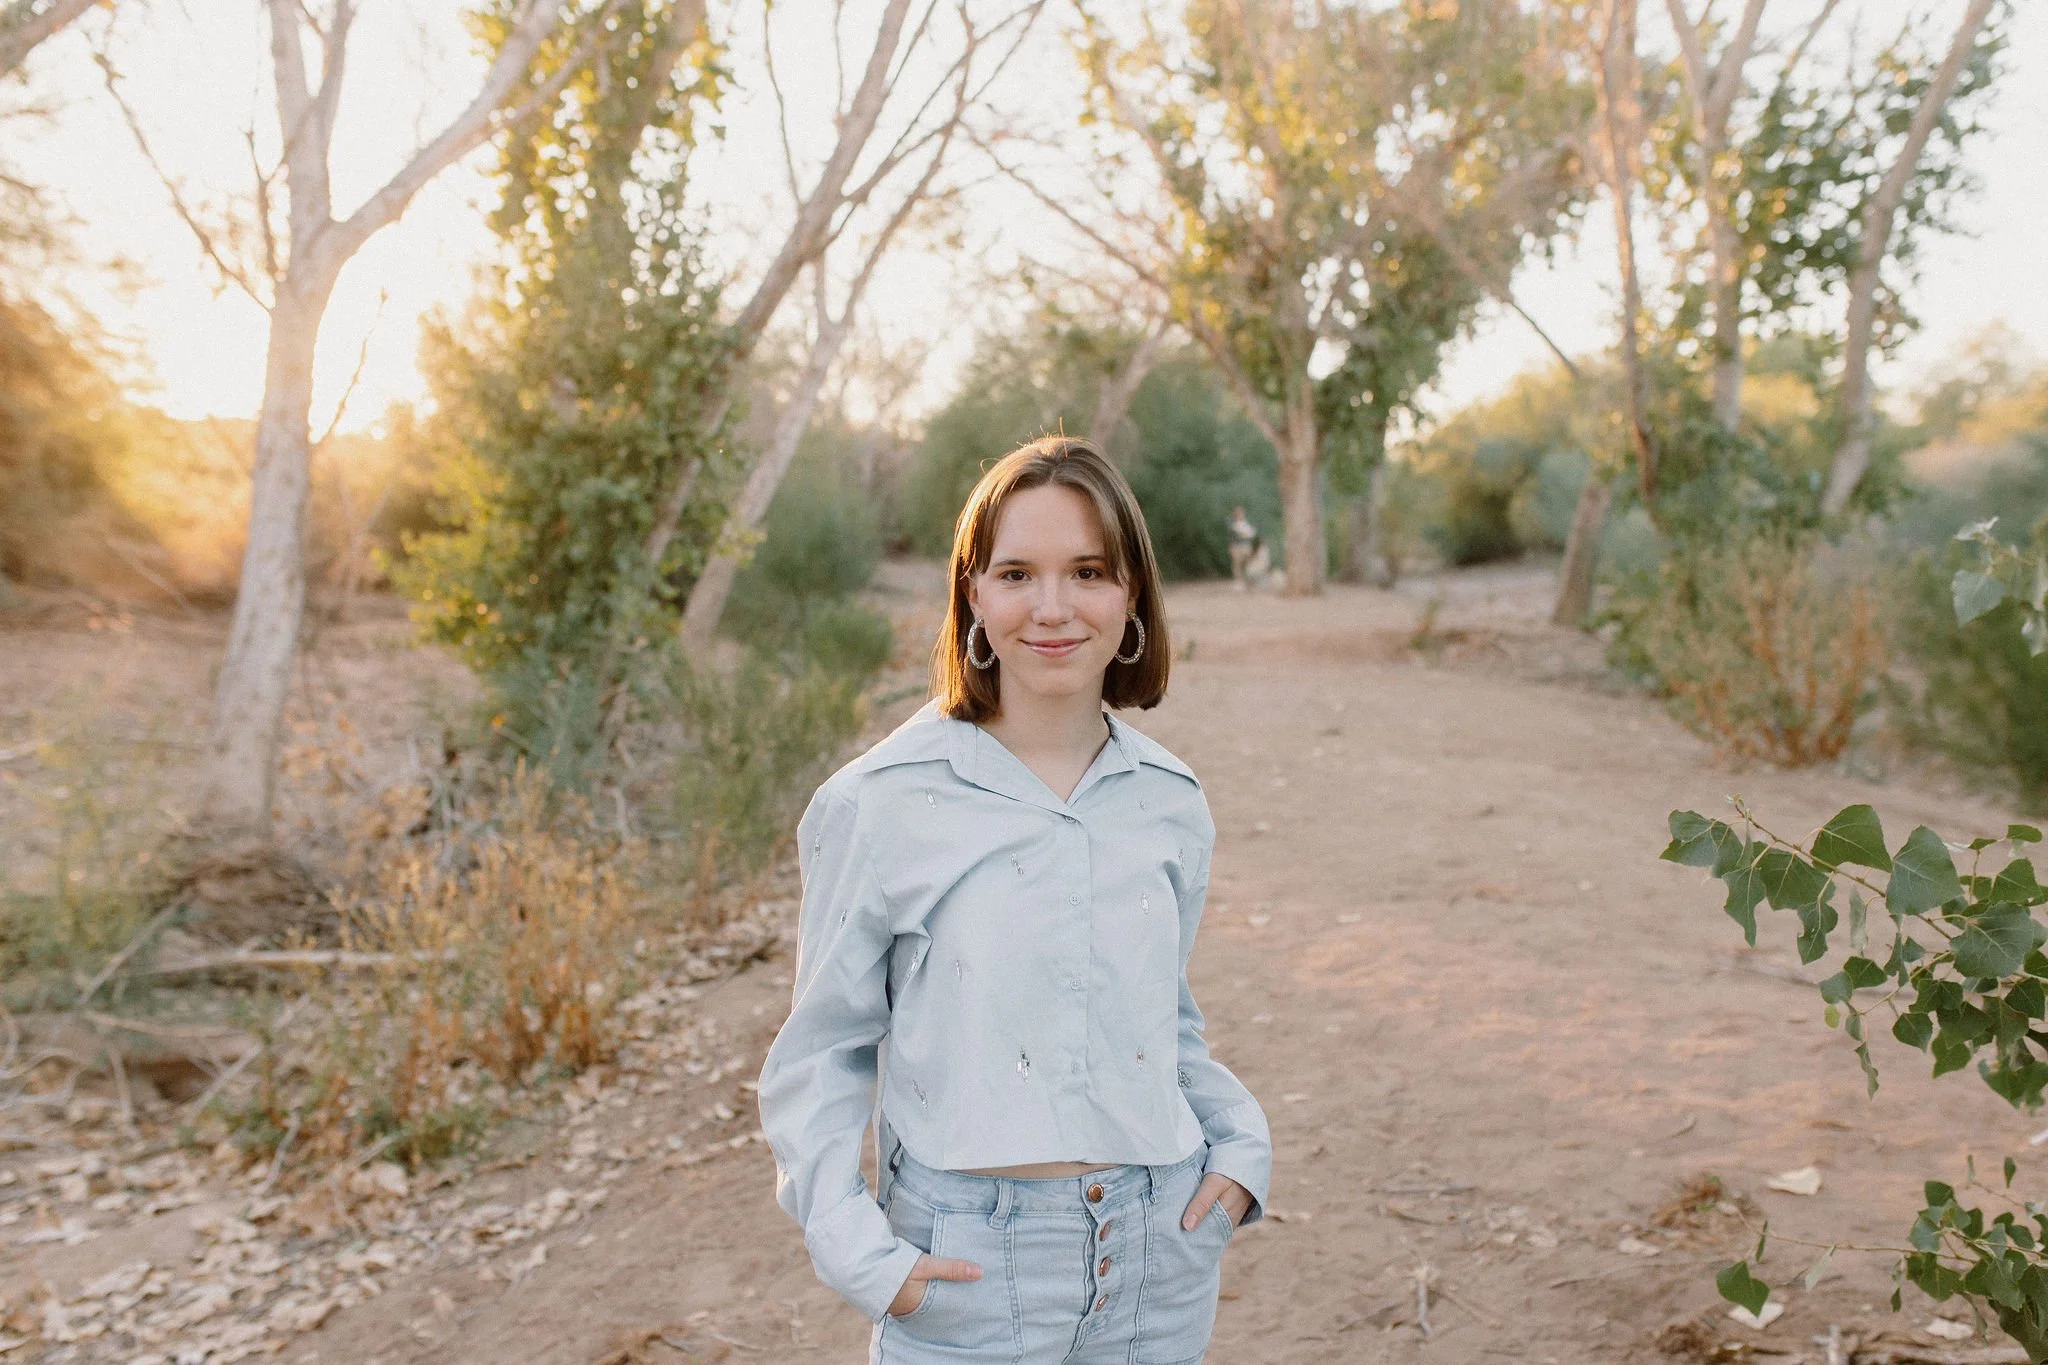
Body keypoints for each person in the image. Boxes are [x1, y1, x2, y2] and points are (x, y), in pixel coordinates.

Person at [757, 436, 1271, 1364]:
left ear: (1132, 597)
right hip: (967, 1273)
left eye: (1087, 571)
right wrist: (863, 1255)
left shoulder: (1170, 799)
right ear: (973, 598)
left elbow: (1165, 1020)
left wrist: (1239, 1148)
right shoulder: (877, 804)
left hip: (1159, 1258)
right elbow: (820, 1054)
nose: (1053, 607)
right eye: (1016, 573)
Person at [1225, 506, 1258, 590]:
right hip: (1236, 546)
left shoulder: (1245, 522)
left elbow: (1251, 533)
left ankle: (1248, 581)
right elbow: (1240, 533)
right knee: (1237, 563)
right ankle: (1238, 581)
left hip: (1245, 545)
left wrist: (1246, 534)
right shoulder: (1232, 522)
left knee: (1248, 563)